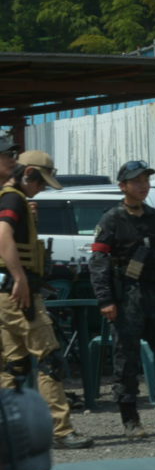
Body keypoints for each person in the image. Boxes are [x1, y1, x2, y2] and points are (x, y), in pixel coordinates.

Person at [88, 160, 155, 439]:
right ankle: (131, 420)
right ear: (123, 186)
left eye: (146, 181)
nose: (143, 186)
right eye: (136, 181)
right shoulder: (112, 219)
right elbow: (98, 261)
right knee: (126, 361)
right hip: (127, 298)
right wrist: (105, 300)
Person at [0, 151, 91, 448]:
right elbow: (3, 235)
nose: (41, 188)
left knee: (14, 365)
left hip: (5, 294)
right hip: (18, 294)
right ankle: (61, 430)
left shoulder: (11, 198)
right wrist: (20, 277)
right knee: (49, 359)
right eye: (41, 182)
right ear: (29, 174)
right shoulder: (13, 199)